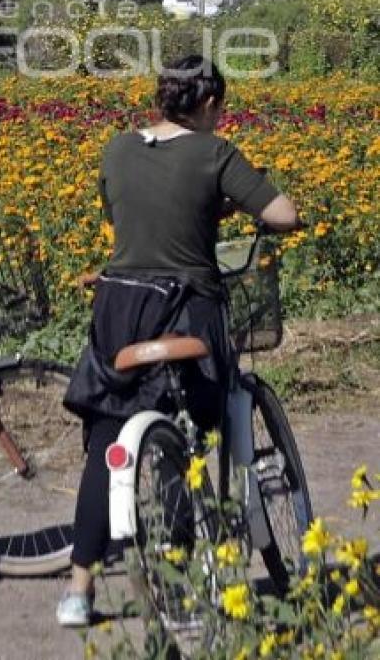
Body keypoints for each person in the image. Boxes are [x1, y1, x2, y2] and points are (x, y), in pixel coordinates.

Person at [56, 55, 299, 628]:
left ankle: (77, 590)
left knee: (109, 439)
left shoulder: (117, 148)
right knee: (185, 437)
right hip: (185, 310)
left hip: (117, 308)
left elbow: (120, 217)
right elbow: (284, 214)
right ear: (209, 106)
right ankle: (177, 585)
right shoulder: (213, 153)